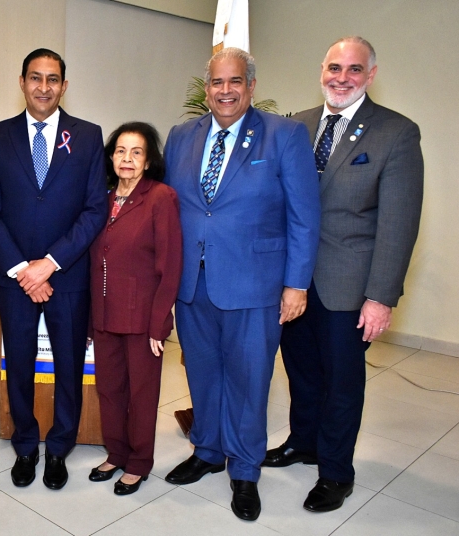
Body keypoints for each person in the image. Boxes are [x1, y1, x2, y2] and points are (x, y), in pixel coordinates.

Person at [263, 36, 424, 513]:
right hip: (294, 283)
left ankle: (335, 472)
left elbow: (399, 223)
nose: (342, 77)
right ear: (321, 69)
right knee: (302, 372)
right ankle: (304, 443)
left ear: (370, 76)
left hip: (349, 288)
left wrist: (381, 297)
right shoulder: (297, 125)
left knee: (342, 383)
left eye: (354, 69)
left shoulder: (396, 133)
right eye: (335, 67)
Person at [163, 48, 321, 521]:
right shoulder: (180, 136)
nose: (225, 91)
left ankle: (246, 470)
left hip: (255, 286)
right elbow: (171, 209)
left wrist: (296, 285)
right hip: (192, 285)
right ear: (206, 87)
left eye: (235, 82)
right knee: (202, 374)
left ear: (251, 86)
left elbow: (304, 217)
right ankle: (208, 450)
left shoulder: (285, 135)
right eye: (217, 82)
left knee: (250, 382)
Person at [0, 48, 108, 490]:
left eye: (53, 79)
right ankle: (26, 445)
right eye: (36, 77)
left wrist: (48, 265)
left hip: (66, 277)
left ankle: (59, 448)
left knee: (70, 366)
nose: (44, 87)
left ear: (64, 86)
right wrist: (20, 269)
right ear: (22, 81)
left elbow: (94, 210)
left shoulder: (88, 137)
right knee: (20, 365)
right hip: (15, 279)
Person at [88, 122, 182, 495]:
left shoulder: (161, 198)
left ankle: (140, 462)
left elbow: (170, 265)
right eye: (121, 151)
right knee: (109, 389)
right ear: (111, 157)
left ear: (148, 160)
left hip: (142, 316)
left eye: (136, 152)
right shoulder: (103, 198)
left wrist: (160, 321)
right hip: (104, 314)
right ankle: (116, 453)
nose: (127, 159)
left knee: (142, 393)